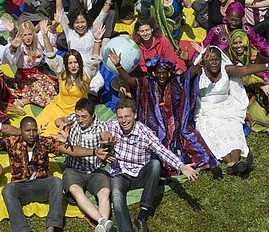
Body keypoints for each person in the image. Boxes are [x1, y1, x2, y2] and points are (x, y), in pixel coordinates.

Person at [0, 116, 107, 232]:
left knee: (56, 181)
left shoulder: (45, 142)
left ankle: (52, 226)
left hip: (42, 185)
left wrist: (94, 152)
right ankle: (22, 229)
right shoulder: (11, 142)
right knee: (7, 189)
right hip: (20, 187)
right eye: (28, 131)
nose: (32, 134)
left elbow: (70, 150)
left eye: (34, 130)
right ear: (21, 131)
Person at [112, 51, 219, 178]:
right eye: (159, 72)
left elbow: (190, 74)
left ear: (168, 73)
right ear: (154, 73)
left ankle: (210, 164)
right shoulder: (147, 83)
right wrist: (118, 65)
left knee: (189, 136)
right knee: (155, 143)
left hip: (176, 124)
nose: (161, 75)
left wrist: (200, 63)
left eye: (164, 72)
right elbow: (129, 80)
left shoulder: (175, 83)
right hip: (153, 125)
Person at [103, 99, 199, 232]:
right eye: (120, 117)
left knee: (155, 164)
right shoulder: (113, 126)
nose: (123, 120)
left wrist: (181, 166)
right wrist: (106, 136)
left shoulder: (144, 132)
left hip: (140, 173)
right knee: (117, 196)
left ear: (135, 115)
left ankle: (142, 214)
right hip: (120, 173)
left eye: (127, 116)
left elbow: (161, 150)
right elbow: (100, 128)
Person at [191, 46, 269, 175]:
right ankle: (233, 163)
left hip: (226, 107)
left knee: (233, 128)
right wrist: (199, 63)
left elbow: (245, 70)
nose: (214, 63)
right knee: (211, 133)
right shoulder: (199, 72)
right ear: (204, 61)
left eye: (217, 60)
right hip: (205, 110)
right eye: (210, 60)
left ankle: (234, 161)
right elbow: (186, 77)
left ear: (221, 60)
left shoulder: (226, 70)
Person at [53, 98, 114, 232]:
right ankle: (102, 221)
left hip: (94, 169)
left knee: (105, 192)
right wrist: (62, 123)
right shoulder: (73, 120)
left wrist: (109, 140)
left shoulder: (101, 126)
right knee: (75, 189)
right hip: (74, 169)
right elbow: (58, 120)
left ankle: (101, 227)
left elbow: (106, 135)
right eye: (78, 116)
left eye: (84, 117)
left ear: (92, 115)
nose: (80, 120)